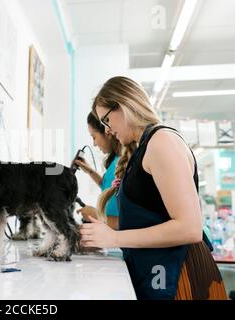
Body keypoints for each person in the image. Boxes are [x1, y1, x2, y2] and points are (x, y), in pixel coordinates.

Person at [80, 76, 227, 300]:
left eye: (107, 120)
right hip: (154, 271)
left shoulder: (162, 142)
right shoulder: (142, 148)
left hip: (178, 276)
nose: (107, 130)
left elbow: (190, 228)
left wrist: (115, 238)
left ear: (123, 105)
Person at [75, 112, 121, 230]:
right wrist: (90, 172)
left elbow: (129, 224)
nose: (94, 144)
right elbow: (109, 187)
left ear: (107, 132)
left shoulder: (123, 162)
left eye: (94, 137)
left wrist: (96, 215)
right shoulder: (116, 161)